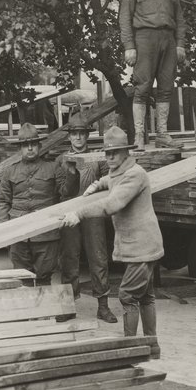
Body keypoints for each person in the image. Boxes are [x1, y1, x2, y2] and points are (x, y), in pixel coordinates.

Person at [61, 126, 164, 347]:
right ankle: (151, 345)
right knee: (146, 297)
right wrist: (95, 185)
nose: (109, 157)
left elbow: (112, 204)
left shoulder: (135, 175)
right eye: (107, 153)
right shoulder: (119, 172)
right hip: (139, 246)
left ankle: (129, 346)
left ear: (126, 152)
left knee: (127, 295)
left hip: (142, 246)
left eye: (114, 153)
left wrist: (79, 212)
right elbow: (108, 181)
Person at [119, 0, 185, 150]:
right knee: (142, 88)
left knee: (166, 87)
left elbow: (180, 19)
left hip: (168, 39)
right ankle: (139, 136)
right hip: (144, 39)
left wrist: (180, 44)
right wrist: (129, 45)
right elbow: (124, 18)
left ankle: (162, 135)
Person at [58, 115, 117, 323]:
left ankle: (103, 306)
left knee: (98, 258)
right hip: (69, 216)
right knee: (69, 260)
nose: (78, 138)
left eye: (82, 134)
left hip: (93, 215)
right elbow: (63, 192)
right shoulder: (62, 160)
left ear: (87, 136)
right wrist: (72, 173)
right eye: (74, 134)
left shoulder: (97, 158)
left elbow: (106, 185)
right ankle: (68, 307)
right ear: (69, 137)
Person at [0, 122, 67, 284]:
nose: (30, 148)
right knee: (23, 278)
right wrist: (4, 232)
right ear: (20, 148)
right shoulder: (10, 171)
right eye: (25, 145)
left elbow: (66, 193)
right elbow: (3, 201)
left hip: (46, 234)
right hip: (18, 233)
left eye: (33, 144)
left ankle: (45, 309)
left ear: (39, 145)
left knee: (44, 277)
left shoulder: (53, 167)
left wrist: (71, 172)